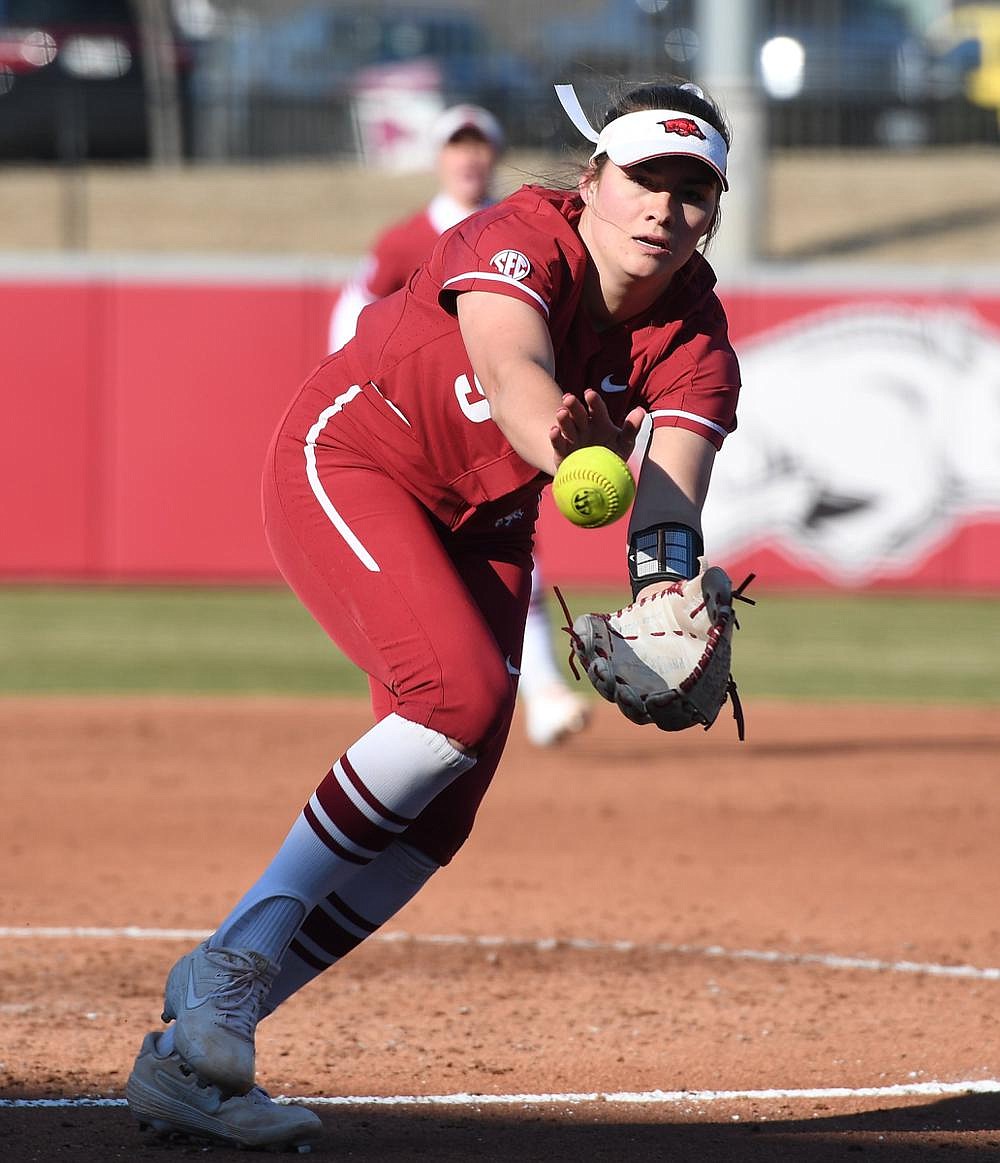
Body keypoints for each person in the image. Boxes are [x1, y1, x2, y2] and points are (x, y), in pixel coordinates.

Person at [125, 79, 741, 1152]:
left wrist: (666, 588)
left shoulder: (696, 334)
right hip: (354, 457)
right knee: (448, 696)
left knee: (444, 804)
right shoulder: (515, 236)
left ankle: (194, 1056)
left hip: (482, 519)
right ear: (592, 179)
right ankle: (226, 965)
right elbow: (511, 375)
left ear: (715, 213)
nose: (664, 209)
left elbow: (670, 494)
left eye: (694, 191)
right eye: (645, 178)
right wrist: (568, 436)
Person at [330, 102, 590, 749]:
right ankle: (423, 711)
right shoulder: (405, 239)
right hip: (412, 424)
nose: (469, 157)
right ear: (441, 156)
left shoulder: (522, 227)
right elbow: (352, 316)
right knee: (415, 567)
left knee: (511, 555)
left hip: (497, 417)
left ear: (495, 155)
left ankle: (544, 694)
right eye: (457, 145)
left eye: (480, 145)